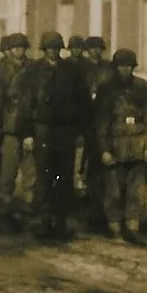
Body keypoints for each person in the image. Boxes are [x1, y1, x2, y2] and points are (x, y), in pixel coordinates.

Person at [23, 31, 93, 241]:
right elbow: (27, 105)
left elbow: (83, 102)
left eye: (56, 48)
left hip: (66, 130)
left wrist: (82, 130)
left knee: (64, 178)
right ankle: (42, 222)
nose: (53, 52)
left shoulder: (72, 71)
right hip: (42, 129)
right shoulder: (33, 71)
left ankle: (60, 222)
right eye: (49, 48)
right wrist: (28, 133)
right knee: (44, 177)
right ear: (44, 50)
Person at [94, 49, 147, 245]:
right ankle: (114, 225)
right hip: (115, 145)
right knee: (114, 189)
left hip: (138, 146)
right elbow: (101, 122)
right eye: (121, 66)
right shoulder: (106, 89)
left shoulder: (143, 88)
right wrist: (104, 149)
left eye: (129, 66)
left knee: (136, 190)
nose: (125, 70)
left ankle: (133, 226)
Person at [0, 33, 33, 227]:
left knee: (31, 166)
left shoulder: (33, 68)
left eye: (22, 47)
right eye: (15, 48)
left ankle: (30, 200)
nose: (18, 51)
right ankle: (6, 197)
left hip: (30, 125)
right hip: (9, 126)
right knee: (8, 166)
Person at [79, 35, 114, 232]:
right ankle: (93, 207)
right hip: (88, 120)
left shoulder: (107, 68)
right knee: (92, 165)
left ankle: (103, 208)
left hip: (105, 119)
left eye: (99, 48)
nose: (96, 51)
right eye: (92, 48)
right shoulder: (80, 69)